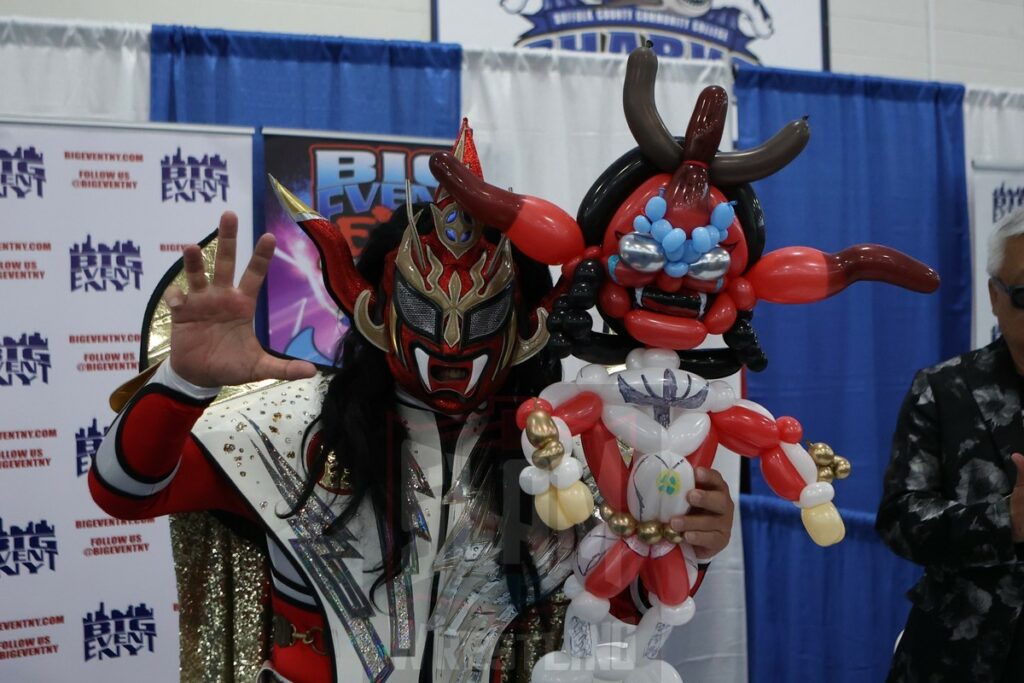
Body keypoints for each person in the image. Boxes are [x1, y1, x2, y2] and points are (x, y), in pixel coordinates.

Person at [88, 127, 737, 683]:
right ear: (374, 309)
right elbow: (124, 491)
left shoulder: (566, 452)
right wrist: (183, 383)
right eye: (425, 309)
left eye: (483, 314)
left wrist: (690, 538)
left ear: (527, 325)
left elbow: (625, 602)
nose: (452, 341)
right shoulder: (294, 426)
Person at [876, 207, 1024, 682]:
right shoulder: (942, 389)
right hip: (963, 656)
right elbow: (900, 519)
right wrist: (1005, 521)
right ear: (995, 297)